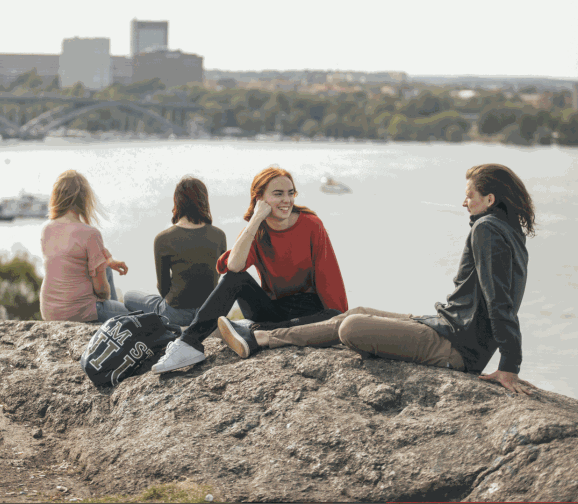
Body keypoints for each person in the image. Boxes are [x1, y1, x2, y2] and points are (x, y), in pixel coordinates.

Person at [218, 164, 538, 395]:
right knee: (356, 312)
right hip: (446, 325)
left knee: (350, 328)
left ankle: (260, 338)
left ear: (490, 200)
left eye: (470, 196)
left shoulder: (487, 230)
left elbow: (500, 302)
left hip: (458, 347)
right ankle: (259, 338)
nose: (464, 202)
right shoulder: (510, 233)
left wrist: (510, 365)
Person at [151, 167, 348, 374]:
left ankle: (255, 331)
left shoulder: (311, 225)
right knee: (236, 278)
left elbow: (329, 277)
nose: (287, 200)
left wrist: (339, 322)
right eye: (278, 194)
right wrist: (255, 220)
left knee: (334, 315)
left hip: (308, 310)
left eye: (291, 193)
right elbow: (234, 267)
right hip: (272, 310)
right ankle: (189, 343)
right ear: (260, 199)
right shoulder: (256, 231)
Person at [123, 177, 227, 327]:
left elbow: (163, 286)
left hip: (176, 314)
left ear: (177, 201)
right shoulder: (219, 235)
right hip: (207, 312)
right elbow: (215, 276)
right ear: (204, 200)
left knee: (128, 296)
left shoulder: (163, 238)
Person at [39, 170, 131, 322]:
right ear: (85, 199)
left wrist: (106, 260)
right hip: (79, 312)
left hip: (49, 311)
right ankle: (115, 325)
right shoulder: (90, 234)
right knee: (137, 317)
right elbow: (102, 293)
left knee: (105, 269)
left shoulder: (47, 229)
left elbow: (67, 260)